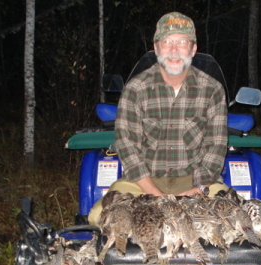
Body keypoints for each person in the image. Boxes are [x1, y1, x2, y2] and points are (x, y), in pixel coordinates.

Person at [88, 12, 229, 226]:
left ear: (193, 49)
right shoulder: (136, 88)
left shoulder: (213, 90)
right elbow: (127, 147)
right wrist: (154, 195)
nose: (173, 50)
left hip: (196, 181)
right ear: (156, 48)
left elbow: (216, 147)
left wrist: (198, 190)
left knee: (234, 218)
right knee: (98, 217)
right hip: (143, 183)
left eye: (182, 42)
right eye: (167, 42)